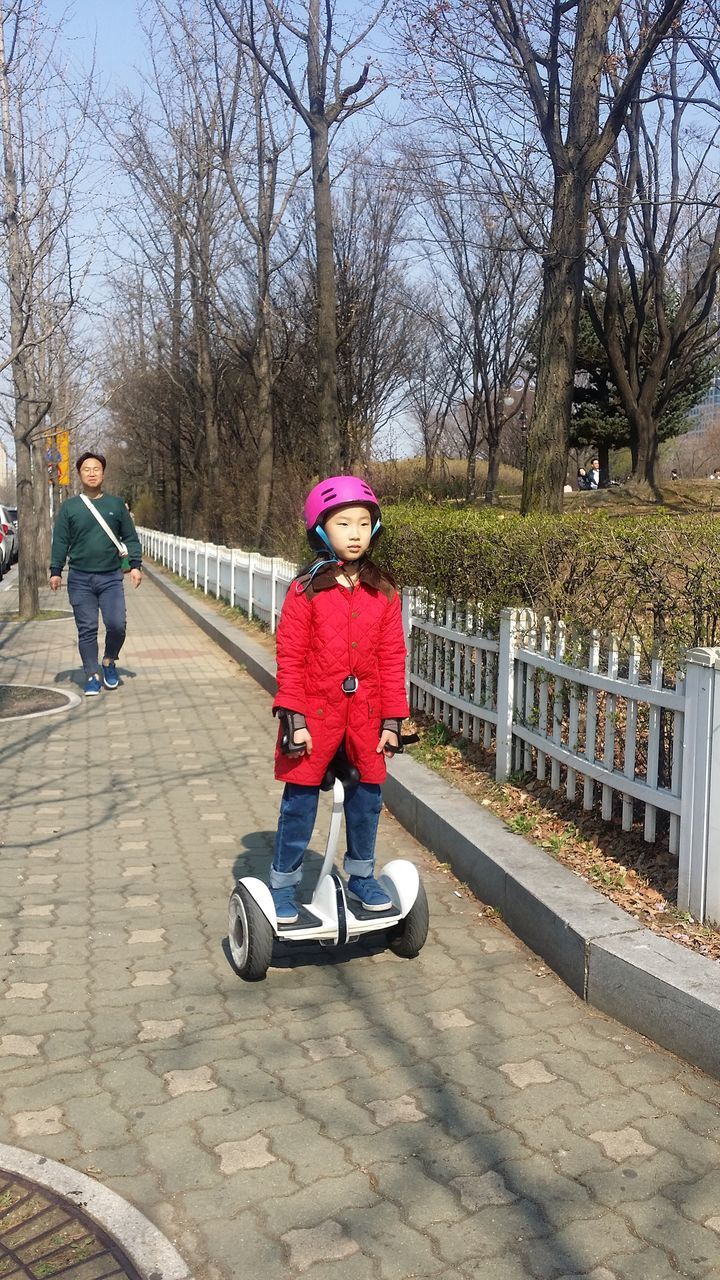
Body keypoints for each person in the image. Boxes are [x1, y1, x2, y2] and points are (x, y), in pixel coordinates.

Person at [269, 475, 409, 924]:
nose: (354, 533)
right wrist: (295, 718)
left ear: (375, 529)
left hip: (365, 717)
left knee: (367, 795)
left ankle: (361, 875)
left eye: (364, 523)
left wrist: (392, 720)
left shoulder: (383, 592)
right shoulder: (305, 591)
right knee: (301, 799)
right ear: (321, 530)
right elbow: (290, 657)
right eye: (343, 523)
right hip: (314, 713)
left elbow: (392, 658)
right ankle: (284, 883)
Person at [49, 451, 143, 696]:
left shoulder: (115, 505)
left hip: (111, 577)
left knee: (116, 624)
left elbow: (130, 538)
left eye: (96, 469)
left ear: (103, 473)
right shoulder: (70, 507)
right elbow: (60, 541)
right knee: (87, 628)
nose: (92, 473)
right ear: (79, 474)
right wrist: (56, 570)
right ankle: (91, 675)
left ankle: (109, 661)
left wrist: (135, 565)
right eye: (86, 469)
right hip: (80, 578)